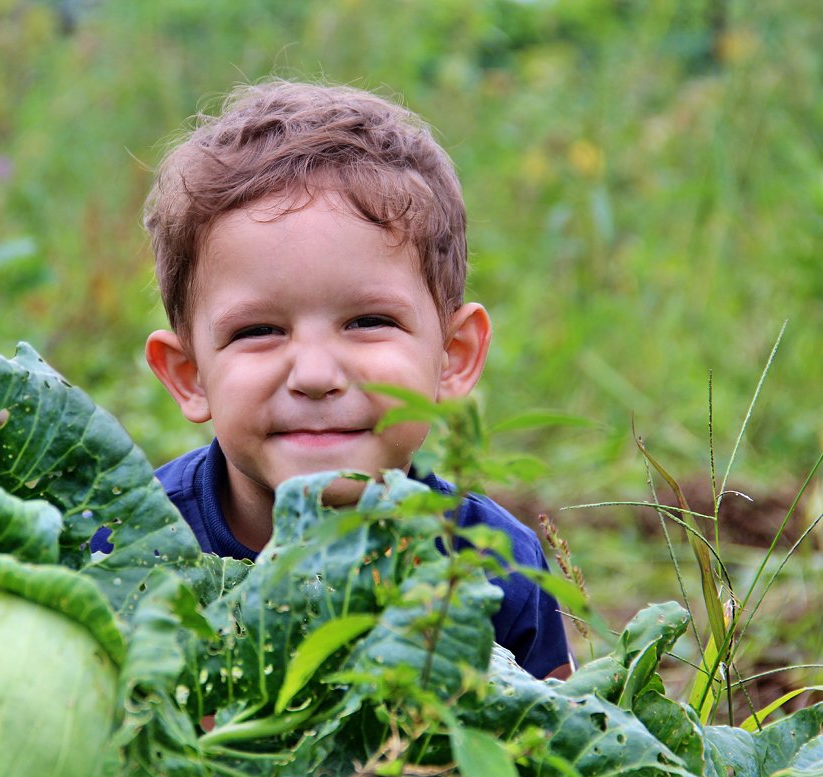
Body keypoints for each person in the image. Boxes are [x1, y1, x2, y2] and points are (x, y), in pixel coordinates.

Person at [94, 80, 572, 680]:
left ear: (452, 356)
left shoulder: (494, 567)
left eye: (368, 322)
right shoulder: (128, 550)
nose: (316, 376)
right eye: (259, 331)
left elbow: (562, 755)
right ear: (190, 376)